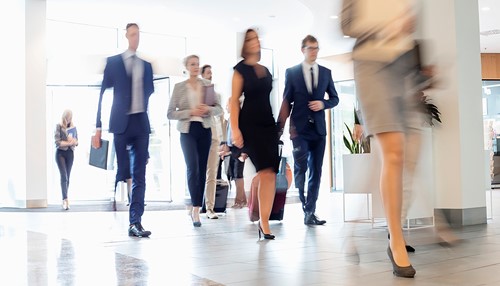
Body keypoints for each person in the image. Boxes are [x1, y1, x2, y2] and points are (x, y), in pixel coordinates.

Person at [341, 0, 423, 277]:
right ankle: (396, 241)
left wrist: (406, 21)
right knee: (394, 151)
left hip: (400, 64)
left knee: (402, 156)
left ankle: (391, 234)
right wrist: (385, 24)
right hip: (371, 64)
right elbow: (347, 24)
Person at [92, 23, 154, 238]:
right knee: (124, 170)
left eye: (139, 34)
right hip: (119, 123)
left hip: (140, 124)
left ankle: (135, 221)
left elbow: (149, 96)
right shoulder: (114, 63)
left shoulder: (147, 66)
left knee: (140, 174)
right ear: (126, 36)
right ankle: (115, 199)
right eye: (133, 34)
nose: (136, 37)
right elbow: (102, 93)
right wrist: (97, 126)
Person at [277, 35, 339, 225]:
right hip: (299, 130)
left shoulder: (326, 73)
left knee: (316, 171)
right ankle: (305, 206)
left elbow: (335, 98)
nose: (314, 51)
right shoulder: (292, 72)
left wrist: (323, 103)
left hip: (319, 130)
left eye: (317, 48)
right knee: (301, 169)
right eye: (311, 48)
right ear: (302, 49)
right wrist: (278, 129)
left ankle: (310, 211)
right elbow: (287, 101)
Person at [230, 28, 279, 240]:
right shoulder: (240, 70)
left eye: (256, 39)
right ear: (245, 44)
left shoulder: (266, 70)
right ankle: (260, 218)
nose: (254, 42)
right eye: (250, 39)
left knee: (270, 173)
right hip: (249, 124)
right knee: (263, 170)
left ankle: (265, 221)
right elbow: (233, 101)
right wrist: (235, 129)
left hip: (268, 123)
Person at [167, 55, 222, 227]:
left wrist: (207, 109)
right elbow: (170, 113)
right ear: (186, 67)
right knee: (193, 167)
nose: (196, 67)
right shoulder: (179, 87)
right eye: (192, 64)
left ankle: (197, 208)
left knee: (203, 169)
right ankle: (195, 206)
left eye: (197, 64)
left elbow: (218, 109)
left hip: (204, 130)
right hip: (187, 131)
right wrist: (190, 112)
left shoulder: (207, 86)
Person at [201, 64, 224, 219]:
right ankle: (196, 205)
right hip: (200, 135)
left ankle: (210, 208)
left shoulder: (216, 94)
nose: (210, 75)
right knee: (197, 172)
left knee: (212, 173)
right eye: (208, 73)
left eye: (211, 73)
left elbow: (220, 116)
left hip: (214, 136)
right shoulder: (196, 92)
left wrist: (223, 141)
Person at [54, 109, 78, 210]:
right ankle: (65, 199)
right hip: (60, 153)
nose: (68, 120)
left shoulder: (73, 128)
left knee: (68, 176)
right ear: (64, 117)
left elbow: (77, 142)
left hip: (70, 153)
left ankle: (65, 197)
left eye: (70, 118)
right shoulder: (59, 126)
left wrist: (73, 141)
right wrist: (68, 142)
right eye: (67, 118)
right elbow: (57, 142)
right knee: (63, 175)